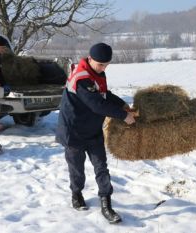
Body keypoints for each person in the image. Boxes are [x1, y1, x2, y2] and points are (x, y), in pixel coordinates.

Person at [56, 43, 135, 224]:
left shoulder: (97, 73)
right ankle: (76, 194)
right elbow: (96, 104)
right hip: (73, 131)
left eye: (106, 65)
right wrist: (123, 116)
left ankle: (106, 203)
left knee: (101, 167)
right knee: (77, 168)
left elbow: (104, 94)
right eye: (100, 64)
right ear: (90, 59)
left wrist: (121, 103)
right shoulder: (81, 77)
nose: (103, 68)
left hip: (92, 130)